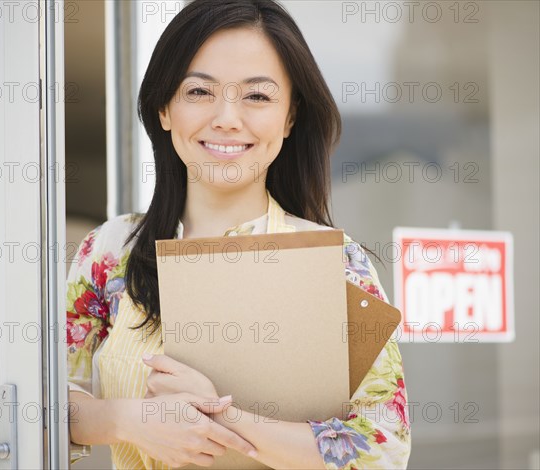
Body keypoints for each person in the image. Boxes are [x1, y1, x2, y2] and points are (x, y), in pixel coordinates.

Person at [66, 0, 411, 468]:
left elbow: (384, 446)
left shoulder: (332, 261)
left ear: (289, 119)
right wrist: (131, 420)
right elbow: (45, 407)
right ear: (165, 108)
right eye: (199, 92)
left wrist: (225, 419)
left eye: (257, 96)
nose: (227, 118)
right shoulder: (109, 252)